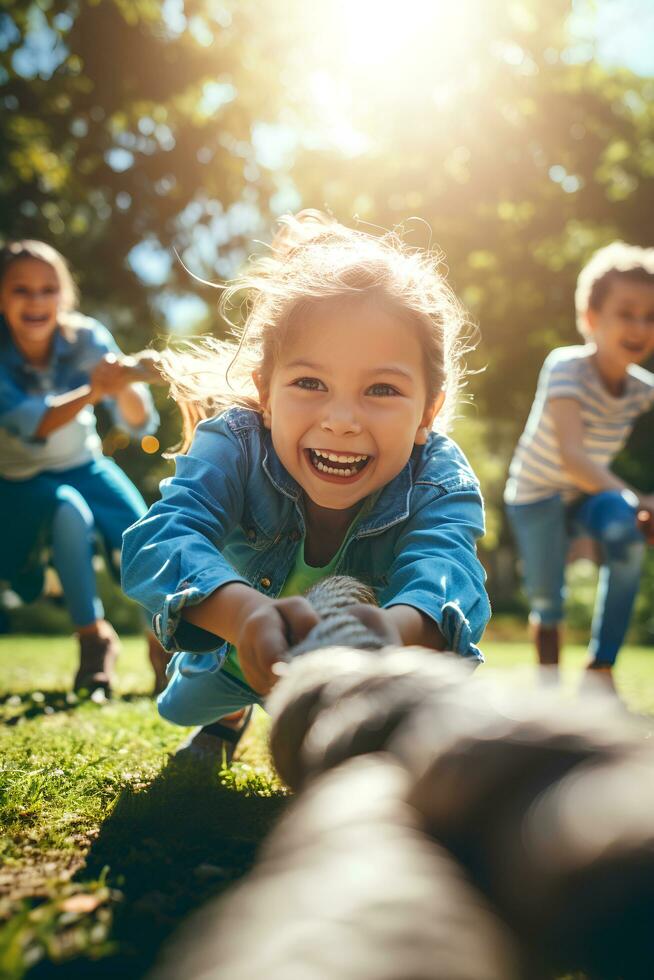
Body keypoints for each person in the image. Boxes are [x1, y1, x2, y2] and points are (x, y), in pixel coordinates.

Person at [122, 210, 490, 759]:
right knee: (184, 702)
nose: (341, 419)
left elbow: (448, 571)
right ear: (266, 395)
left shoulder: (439, 479)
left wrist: (391, 634)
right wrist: (246, 618)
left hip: (368, 665)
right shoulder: (234, 443)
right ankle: (229, 712)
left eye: (382, 389)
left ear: (426, 413)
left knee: (415, 735)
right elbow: (161, 538)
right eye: (310, 382)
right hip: (236, 646)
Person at [0, 239, 167, 697]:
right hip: (16, 481)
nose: (36, 302)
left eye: (47, 289)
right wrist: (94, 391)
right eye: (21, 290)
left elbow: (138, 423)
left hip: (85, 464)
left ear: (64, 295)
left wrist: (128, 379)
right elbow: (30, 424)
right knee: (68, 512)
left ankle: (162, 648)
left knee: (145, 534)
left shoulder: (87, 337)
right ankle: (94, 640)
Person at [505, 242, 654, 692]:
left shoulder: (641, 389)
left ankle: (600, 671)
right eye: (626, 313)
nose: (640, 326)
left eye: (650, 316)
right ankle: (548, 684)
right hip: (537, 496)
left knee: (628, 537)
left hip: (588, 496)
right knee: (548, 596)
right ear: (590, 319)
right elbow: (573, 455)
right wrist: (637, 498)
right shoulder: (565, 367)